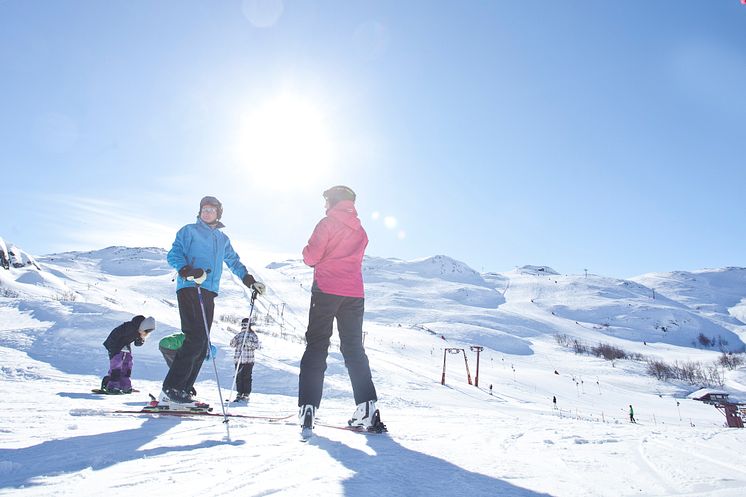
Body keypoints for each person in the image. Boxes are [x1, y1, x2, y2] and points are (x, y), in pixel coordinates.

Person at [160, 195, 266, 405]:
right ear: (200, 212)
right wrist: (187, 271)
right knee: (195, 337)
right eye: (204, 209)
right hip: (190, 286)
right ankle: (172, 388)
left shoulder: (222, 238)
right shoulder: (189, 231)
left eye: (211, 209)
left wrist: (249, 280)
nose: (207, 212)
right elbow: (174, 254)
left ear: (219, 213)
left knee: (202, 343)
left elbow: (233, 261)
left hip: (209, 291)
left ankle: (183, 390)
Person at [297, 185, 385, 434]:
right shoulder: (361, 230)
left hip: (326, 290)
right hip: (354, 294)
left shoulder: (326, 224)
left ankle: (308, 408)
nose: (325, 205)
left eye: (326, 200)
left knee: (316, 345)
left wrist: (305, 253)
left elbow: (311, 257)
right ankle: (367, 408)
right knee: (354, 348)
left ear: (333, 201)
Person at [102, 315, 155, 393]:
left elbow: (137, 344)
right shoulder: (130, 326)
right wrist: (113, 348)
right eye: (146, 331)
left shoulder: (138, 330)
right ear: (143, 327)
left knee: (128, 365)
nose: (146, 333)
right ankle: (112, 386)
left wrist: (141, 339)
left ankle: (125, 385)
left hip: (125, 346)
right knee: (117, 365)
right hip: (115, 346)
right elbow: (116, 334)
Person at [158, 332, 217, 397]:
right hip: (171, 345)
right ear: (207, 352)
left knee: (178, 370)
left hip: (166, 344)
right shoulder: (202, 346)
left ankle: (175, 391)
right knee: (182, 368)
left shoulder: (202, 342)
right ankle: (174, 392)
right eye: (206, 356)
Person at [229, 317, 261, 402]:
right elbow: (232, 345)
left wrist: (248, 343)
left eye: (245, 325)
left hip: (248, 360)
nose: (243, 326)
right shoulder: (239, 335)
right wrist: (234, 341)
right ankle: (239, 392)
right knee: (238, 377)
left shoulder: (253, 335)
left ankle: (246, 393)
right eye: (242, 324)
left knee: (246, 377)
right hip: (239, 359)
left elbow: (257, 346)